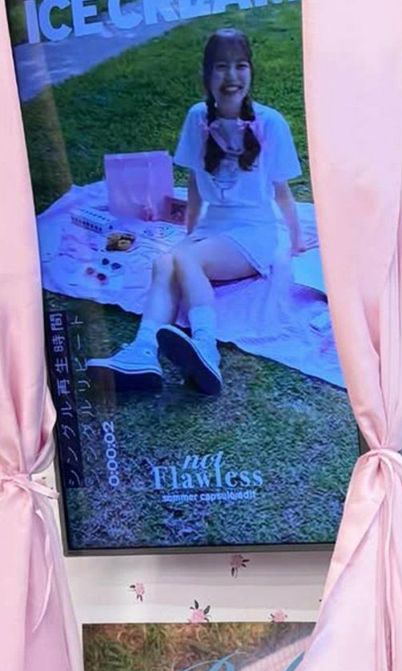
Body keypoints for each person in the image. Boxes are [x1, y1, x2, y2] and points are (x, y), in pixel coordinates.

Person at [87, 28, 305, 397]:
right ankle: (143, 351)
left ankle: (206, 348)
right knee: (164, 262)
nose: (232, 77)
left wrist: (296, 239)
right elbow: (193, 182)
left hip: (254, 232)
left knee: (186, 260)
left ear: (251, 71)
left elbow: (281, 191)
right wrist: (190, 232)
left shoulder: (271, 122)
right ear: (206, 75)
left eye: (240, 66)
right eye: (221, 67)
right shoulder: (196, 118)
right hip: (212, 228)